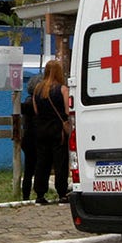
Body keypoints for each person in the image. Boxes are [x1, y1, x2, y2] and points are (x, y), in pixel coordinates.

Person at [31, 59, 71, 205]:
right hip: (57, 131)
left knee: (42, 162)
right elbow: (67, 111)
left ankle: (40, 195)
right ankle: (62, 193)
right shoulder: (63, 89)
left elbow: (36, 110)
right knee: (60, 162)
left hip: (41, 129)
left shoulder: (37, 89)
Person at [19, 73, 40, 201]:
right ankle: (35, 193)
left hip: (27, 139)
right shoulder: (34, 103)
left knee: (28, 169)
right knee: (36, 169)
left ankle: (26, 195)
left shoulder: (27, 101)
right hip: (35, 139)